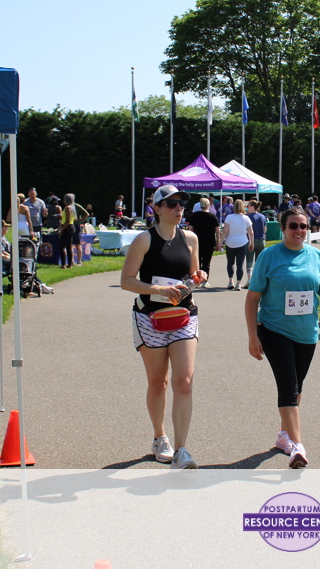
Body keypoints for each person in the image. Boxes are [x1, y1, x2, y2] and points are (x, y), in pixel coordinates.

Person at [244, 207, 320, 468]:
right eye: (293, 226)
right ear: (283, 228)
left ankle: (284, 436)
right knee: (288, 387)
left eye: (303, 226)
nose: (299, 230)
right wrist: (252, 336)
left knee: (297, 386)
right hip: (274, 330)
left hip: (306, 333)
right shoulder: (269, 256)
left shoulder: (315, 256)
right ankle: (298, 447)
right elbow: (252, 298)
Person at [120, 185, 206, 469]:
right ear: (156, 208)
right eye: (171, 204)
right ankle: (159, 437)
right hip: (150, 318)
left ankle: (182, 450)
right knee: (159, 382)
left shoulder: (190, 238)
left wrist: (197, 278)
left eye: (182, 204)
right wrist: (157, 289)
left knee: (184, 382)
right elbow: (126, 281)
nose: (178, 208)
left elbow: (193, 275)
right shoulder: (144, 240)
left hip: (183, 315)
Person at [221, 199, 254, 291]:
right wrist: (251, 243)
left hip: (230, 242)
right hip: (242, 242)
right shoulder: (246, 218)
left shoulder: (229, 217)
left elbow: (225, 231)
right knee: (240, 264)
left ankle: (230, 281)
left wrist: (221, 242)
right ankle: (238, 283)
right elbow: (251, 232)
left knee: (230, 263)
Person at [188, 198, 220, 287]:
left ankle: (196, 279)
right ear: (208, 205)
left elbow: (190, 228)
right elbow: (217, 231)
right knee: (206, 262)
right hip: (209, 241)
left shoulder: (195, 215)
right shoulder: (213, 216)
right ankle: (205, 281)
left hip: (197, 241)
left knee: (197, 260)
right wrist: (218, 242)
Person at [246, 200, 268, 287]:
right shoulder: (262, 216)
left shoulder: (248, 217)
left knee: (249, 261)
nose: (247, 208)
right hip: (261, 240)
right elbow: (265, 230)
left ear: (252, 207)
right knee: (259, 262)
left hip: (251, 240)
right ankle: (258, 280)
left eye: (248, 206)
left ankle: (249, 278)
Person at [58, 194, 77, 269]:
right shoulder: (72, 208)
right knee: (69, 246)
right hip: (71, 226)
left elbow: (67, 220)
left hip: (67, 227)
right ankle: (69, 264)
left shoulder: (67, 208)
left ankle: (63, 264)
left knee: (62, 246)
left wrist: (61, 230)